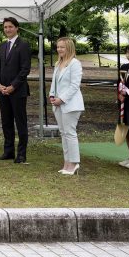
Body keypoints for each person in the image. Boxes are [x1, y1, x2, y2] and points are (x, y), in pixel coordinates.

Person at [0, 17, 32, 164]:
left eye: (10, 27)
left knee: (20, 122)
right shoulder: (2, 46)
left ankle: (21, 154)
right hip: (3, 91)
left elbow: (25, 69)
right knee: (6, 122)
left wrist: (13, 86)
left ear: (17, 28)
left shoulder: (23, 45)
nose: (7, 29)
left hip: (18, 91)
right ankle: (8, 151)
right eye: (5, 27)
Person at [49, 37, 84, 175]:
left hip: (71, 104)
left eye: (62, 47)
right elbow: (54, 83)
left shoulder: (75, 63)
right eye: (58, 47)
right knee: (63, 133)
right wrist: (52, 95)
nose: (59, 49)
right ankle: (67, 162)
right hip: (57, 104)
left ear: (69, 48)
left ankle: (74, 163)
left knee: (70, 133)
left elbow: (75, 85)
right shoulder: (59, 63)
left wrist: (62, 99)